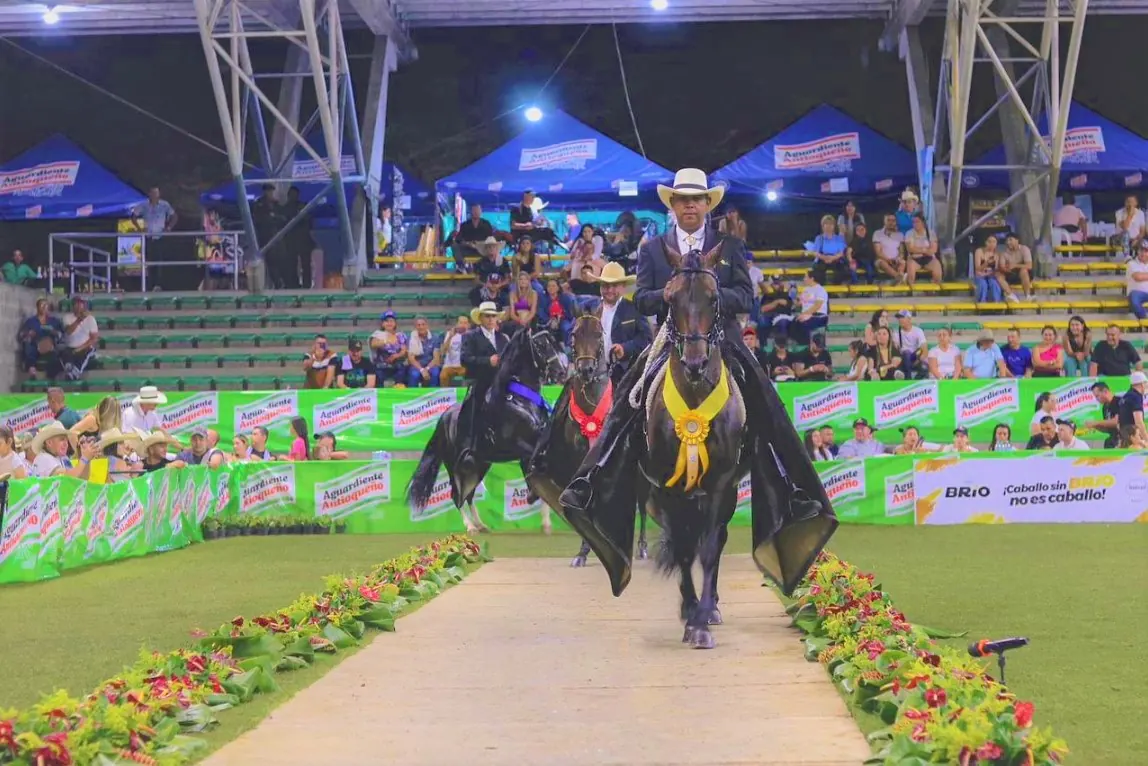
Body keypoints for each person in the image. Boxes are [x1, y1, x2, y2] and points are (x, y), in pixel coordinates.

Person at [559, 168, 835, 597]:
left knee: (766, 402)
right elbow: (643, 299)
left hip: (721, 341)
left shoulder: (731, 247)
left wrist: (707, 291)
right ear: (673, 206)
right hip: (669, 341)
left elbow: (746, 296)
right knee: (628, 402)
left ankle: (792, 486)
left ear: (708, 204)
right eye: (682, 200)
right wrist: (666, 294)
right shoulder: (653, 249)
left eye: (697, 199)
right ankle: (592, 478)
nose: (690, 206)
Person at [454, 302, 510, 471]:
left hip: (501, 382)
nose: (491, 319)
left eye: (493, 316)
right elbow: (465, 359)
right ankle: (470, 447)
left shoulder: (504, 338)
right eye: (488, 316)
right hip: (480, 380)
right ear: (481, 319)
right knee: (475, 405)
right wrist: (488, 361)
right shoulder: (471, 336)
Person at [591, 262, 652, 385]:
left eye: (614, 285)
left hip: (625, 375)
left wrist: (625, 348)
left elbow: (646, 339)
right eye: (605, 285)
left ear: (623, 287)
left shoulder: (634, 309)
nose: (609, 290)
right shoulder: (591, 309)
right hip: (594, 374)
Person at [369, 310, 408, 386]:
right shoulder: (377, 334)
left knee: (404, 372)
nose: (389, 323)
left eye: (391, 321)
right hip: (381, 366)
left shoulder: (400, 335)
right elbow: (373, 344)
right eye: (386, 321)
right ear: (383, 324)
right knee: (378, 374)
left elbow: (404, 350)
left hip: (397, 365)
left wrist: (396, 355)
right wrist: (386, 340)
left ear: (395, 323)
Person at [406, 317, 443, 388]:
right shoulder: (411, 338)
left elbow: (436, 358)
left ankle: (434, 397)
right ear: (415, 327)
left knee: (435, 373)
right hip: (417, 365)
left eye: (423, 324)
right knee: (414, 374)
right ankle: (413, 397)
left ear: (427, 326)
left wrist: (427, 369)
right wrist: (422, 370)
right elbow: (411, 359)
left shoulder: (435, 337)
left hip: (431, 364)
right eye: (418, 325)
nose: (421, 327)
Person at [1117, 372, 1148, 448]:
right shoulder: (1136, 397)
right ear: (1142, 384)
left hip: (1124, 437)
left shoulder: (1126, 396)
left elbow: (1118, 422)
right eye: (1146, 384)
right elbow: (1139, 422)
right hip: (1133, 438)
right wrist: (1147, 440)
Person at [1087, 382, 1121, 449]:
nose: (1096, 399)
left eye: (1097, 396)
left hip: (1122, 440)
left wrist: (1097, 422)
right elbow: (1108, 429)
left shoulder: (1119, 401)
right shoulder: (1105, 407)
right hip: (1112, 440)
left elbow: (1116, 422)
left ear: (1105, 391)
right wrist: (1096, 426)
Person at [439, 315, 471, 387]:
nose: (463, 325)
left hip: (464, 366)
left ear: (469, 325)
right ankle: (445, 396)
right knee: (443, 376)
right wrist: (450, 337)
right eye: (461, 323)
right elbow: (443, 351)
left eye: (465, 323)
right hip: (449, 366)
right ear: (456, 324)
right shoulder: (449, 334)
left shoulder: (472, 335)